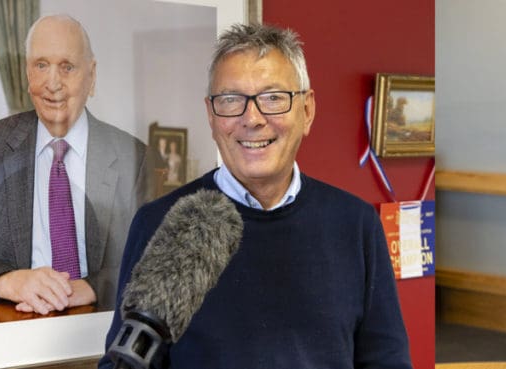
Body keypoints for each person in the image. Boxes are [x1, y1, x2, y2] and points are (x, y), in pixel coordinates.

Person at [99, 22, 412, 368]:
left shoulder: (355, 224)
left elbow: (387, 360)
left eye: (273, 98)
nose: (253, 118)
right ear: (211, 115)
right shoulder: (159, 223)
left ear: (307, 111)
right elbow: (124, 361)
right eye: (231, 100)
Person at [0, 14, 149, 314]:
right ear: (27, 74)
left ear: (92, 75)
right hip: (16, 322)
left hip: (98, 323)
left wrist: (89, 287)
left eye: (67, 67)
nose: (52, 83)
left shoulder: (132, 156)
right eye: (41, 65)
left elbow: (151, 259)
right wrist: (9, 281)